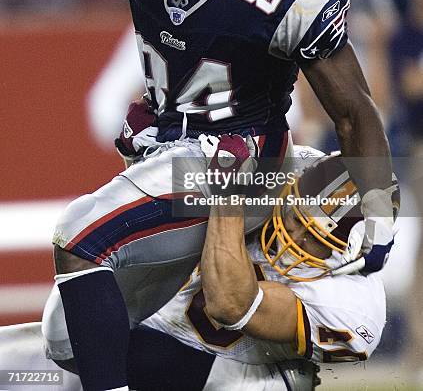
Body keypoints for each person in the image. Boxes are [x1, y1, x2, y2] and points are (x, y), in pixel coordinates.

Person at [11, 0, 395, 391]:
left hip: (237, 163)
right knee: (68, 339)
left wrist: (382, 218)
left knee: (79, 234)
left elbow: (354, 109)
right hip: (165, 147)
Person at [0, 148, 398, 391]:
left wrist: (230, 199)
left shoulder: (354, 310)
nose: (287, 231)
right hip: (152, 330)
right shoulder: (290, 167)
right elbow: (173, 193)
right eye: (293, 213)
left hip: (229, 372)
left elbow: (231, 304)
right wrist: (149, 151)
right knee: (28, 358)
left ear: (354, 255)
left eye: (311, 236)